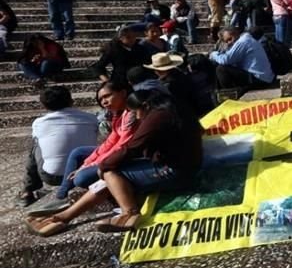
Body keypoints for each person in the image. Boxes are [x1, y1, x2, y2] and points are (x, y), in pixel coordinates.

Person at [27, 90, 203, 236]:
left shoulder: (157, 116)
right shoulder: (174, 110)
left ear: (145, 107)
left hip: (174, 171)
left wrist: (102, 166)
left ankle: (129, 213)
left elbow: (132, 147)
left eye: (136, 113)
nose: (137, 117)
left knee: (109, 172)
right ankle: (63, 217)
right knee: (111, 175)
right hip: (176, 166)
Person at [19, 86, 99, 207]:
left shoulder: (39, 123)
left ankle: (27, 192)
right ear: (71, 101)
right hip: (86, 172)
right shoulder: (92, 119)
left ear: (44, 106)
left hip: (53, 177)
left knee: (36, 145)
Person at [209, 27, 276, 90]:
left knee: (221, 69)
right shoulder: (246, 39)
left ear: (236, 33)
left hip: (260, 79)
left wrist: (213, 54)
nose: (229, 43)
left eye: (230, 39)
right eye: (227, 41)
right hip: (264, 78)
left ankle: (230, 95)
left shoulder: (242, 42)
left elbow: (226, 59)